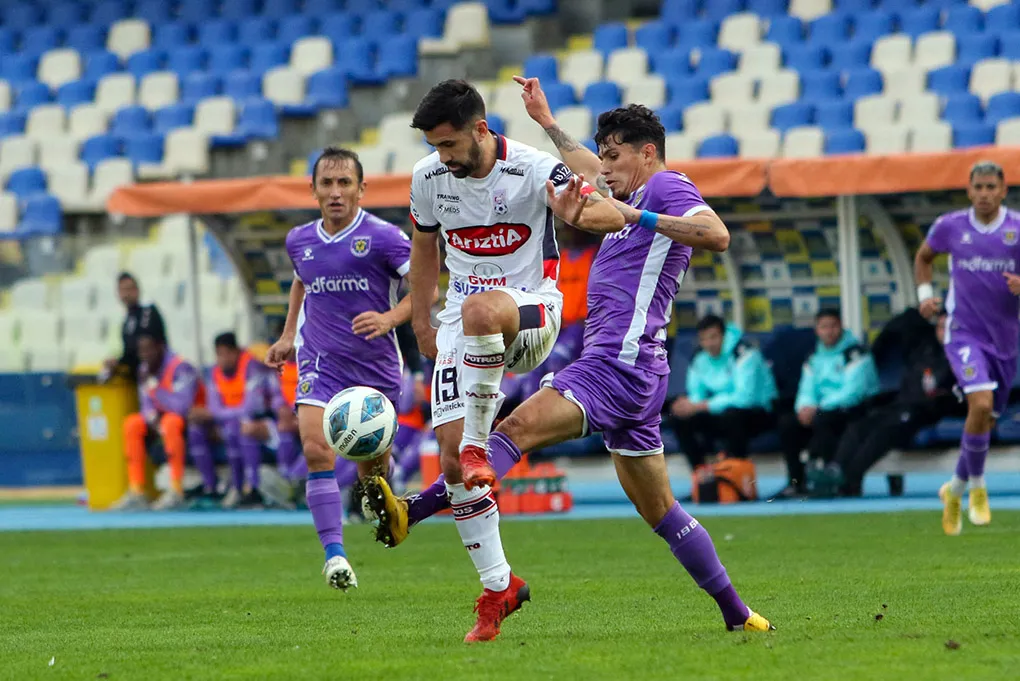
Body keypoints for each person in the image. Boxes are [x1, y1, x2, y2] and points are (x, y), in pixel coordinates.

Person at [365, 79, 773, 641]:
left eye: (614, 157)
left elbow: (715, 234)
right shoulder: (627, 189)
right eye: (602, 156)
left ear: (646, 154)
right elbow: (580, 166)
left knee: (510, 433)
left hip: (617, 364)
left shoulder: (666, 187)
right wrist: (548, 123)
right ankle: (739, 613)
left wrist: (636, 218)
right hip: (635, 368)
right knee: (662, 512)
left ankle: (414, 510)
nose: (604, 167)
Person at [397, 78, 625, 642]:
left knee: (481, 311)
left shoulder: (533, 168)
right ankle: (499, 586)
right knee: (452, 464)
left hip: (532, 312)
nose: (441, 157)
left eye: (448, 144)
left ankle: (479, 446)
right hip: (459, 322)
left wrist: (578, 212)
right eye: (433, 146)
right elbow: (423, 251)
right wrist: (422, 323)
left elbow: (611, 215)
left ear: (480, 129)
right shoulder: (427, 179)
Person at [264, 147, 422, 591]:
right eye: (327, 183)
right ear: (313, 190)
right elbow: (302, 282)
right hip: (320, 362)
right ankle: (334, 556)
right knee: (316, 450)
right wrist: (287, 336)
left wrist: (389, 319)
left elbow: (424, 287)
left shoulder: (385, 237)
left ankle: (379, 489)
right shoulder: (299, 240)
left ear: (361, 189)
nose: (335, 192)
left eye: (344, 183)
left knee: (372, 474)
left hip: (375, 367)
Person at [914, 160, 1020, 535]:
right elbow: (924, 257)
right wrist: (925, 296)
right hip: (963, 334)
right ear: (969, 190)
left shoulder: (1017, 228)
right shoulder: (951, 225)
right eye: (979, 187)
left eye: (992, 187)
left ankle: (954, 489)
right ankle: (977, 489)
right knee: (982, 404)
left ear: (1003, 190)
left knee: (984, 420)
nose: (985, 194)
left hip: (1005, 342)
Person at [810, 308, 961, 497]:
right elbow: (904, 320)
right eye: (940, 327)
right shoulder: (924, 347)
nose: (944, 333)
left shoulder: (964, 355)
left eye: (949, 328)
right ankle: (835, 469)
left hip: (928, 411)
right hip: (902, 405)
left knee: (884, 431)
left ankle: (849, 479)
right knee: (860, 426)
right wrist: (923, 311)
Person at [775, 309, 879, 498]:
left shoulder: (856, 353)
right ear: (817, 330)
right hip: (821, 410)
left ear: (841, 327)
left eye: (833, 326)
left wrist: (818, 408)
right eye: (824, 327)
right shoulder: (814, 357)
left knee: (824, 419)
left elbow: (852, 393)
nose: (829, 331)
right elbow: (806, 389)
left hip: (854, 410)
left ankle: (829, 479)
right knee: (787, 424)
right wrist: (805, 407)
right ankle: (796, 482)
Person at [669, 315, 778, 471]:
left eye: (713, 337)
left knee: (732, 416)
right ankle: (701, 473)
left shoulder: (745, 354)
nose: (709, 344)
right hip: (721, 412)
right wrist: (688, 406)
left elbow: (744, 399)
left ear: (724, 335)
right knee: (680, 419)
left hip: (759, 412)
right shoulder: (700, 358)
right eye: (704, 339)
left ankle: (736, 473)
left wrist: (701, 406)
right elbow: (697, 394)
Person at [188, 333, 284, 509]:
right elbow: (213, 407)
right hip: (228, 422)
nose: (223, 359)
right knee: (196, 429)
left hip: (261, 421)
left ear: (236, 352)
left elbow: (251, 407)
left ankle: (248, 487)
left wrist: (219, 415)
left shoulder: (252, 368)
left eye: (226, 354)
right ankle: (210, 486)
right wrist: (219, 416)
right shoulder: (214, 373)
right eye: (219, 354)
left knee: (238, 429)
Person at [111, 332, 205, 511]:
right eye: (141, 351)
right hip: (159, 419)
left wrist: (158, 392)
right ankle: (137, 491)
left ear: (160, 347)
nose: (145, 355)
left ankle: (176, 490)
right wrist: (152, 418)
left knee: (171, 423)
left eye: (149, 350)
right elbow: (146, 404)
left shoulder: (181, 367)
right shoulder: (144, 369)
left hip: (190, 421)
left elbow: (182, 405)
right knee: (132, 424)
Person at [103, 272, 167, 382]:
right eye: (123, 290)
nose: (127, 294)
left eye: (129, 289)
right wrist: (117, 362)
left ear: (137, 290)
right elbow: (129, 354)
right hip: (139, 381)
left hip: (158, 376)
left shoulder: (148, 311)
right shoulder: (126, 322)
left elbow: (147, 347)